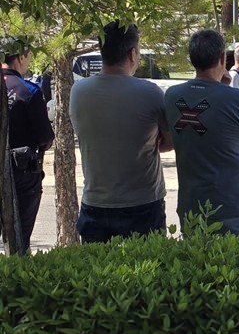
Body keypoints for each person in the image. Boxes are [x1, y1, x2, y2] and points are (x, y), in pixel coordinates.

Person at [71, 22, 172, 244]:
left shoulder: (79, 91)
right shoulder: (150, 93)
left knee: (97, 275)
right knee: (146, 274)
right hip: (143, 204)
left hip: (95, 203)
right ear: (133, 53)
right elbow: (169, 142)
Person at [165, 29, 239, 236]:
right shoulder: (236, 99)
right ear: (223, 58)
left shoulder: (172, 96)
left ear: (191, 58)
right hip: (232, 208)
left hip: (190, 207)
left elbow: (179, 138)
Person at [1, 36, 54, 254]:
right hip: (21, 171)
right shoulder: (28, 90)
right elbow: (45, 137)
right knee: (19, 238)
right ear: (21, 57)